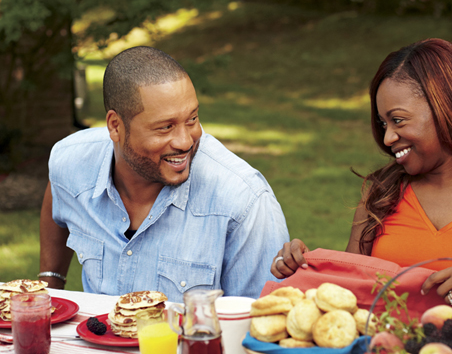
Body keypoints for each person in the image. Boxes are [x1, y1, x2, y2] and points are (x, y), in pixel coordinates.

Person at [271, 38, 452, 338]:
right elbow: (348, 297)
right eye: (382, 124)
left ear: (448, 109)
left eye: (398, 120)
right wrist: (301, 264)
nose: (388, 137)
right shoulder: (379, 194)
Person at [39, 46, 289, 301]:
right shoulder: (71, 161)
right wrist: (50, 283)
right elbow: (59, 193)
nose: (185, 141)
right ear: (115, 126)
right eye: (165, 127)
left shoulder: (243, 199)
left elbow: (262, 320)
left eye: (192, 119)